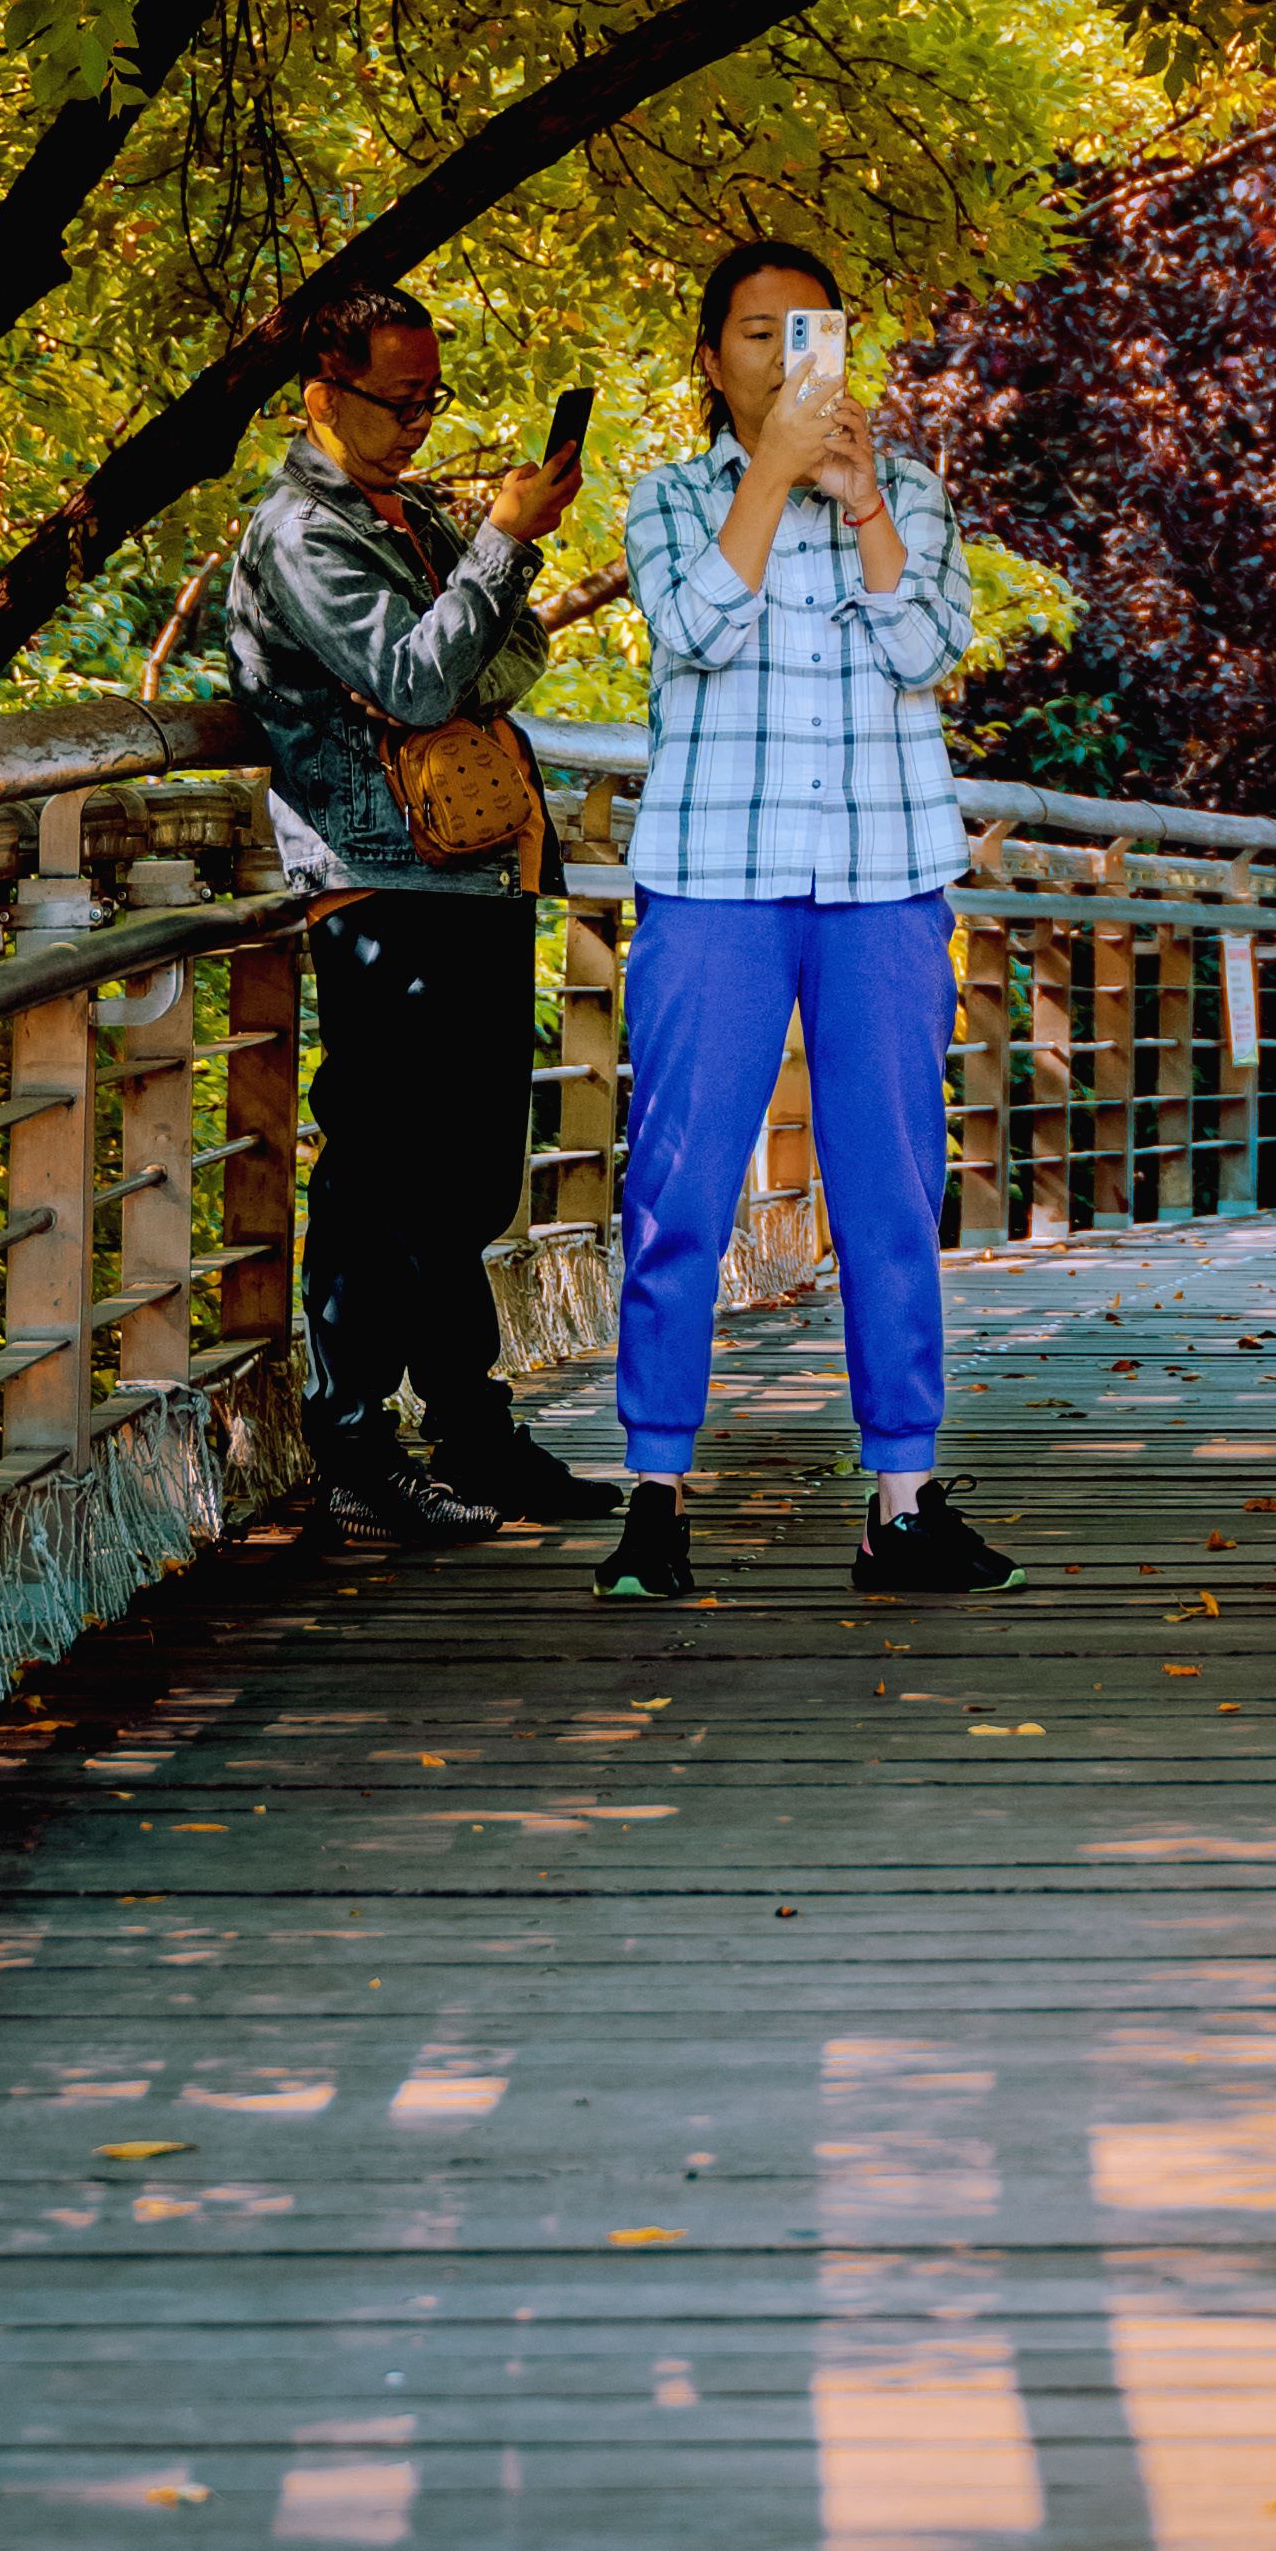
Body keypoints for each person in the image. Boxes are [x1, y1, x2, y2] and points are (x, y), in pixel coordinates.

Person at [598, 235, 1016, 1606]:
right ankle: (652, 1496)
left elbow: (925, 647)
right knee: (678, 1196)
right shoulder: (667, 498)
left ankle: (902, 1502)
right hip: (714, 878)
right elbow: (694, 626)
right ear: (710, 356)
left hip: (883, 877)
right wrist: (773, 477)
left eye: (808, 329)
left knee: (890, 1192)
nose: (784, 352)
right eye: (755, 330)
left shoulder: (909, 494)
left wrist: (862, 504)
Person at [222, 287, 622, 1559]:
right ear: (319, 395)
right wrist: (498, 553)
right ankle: (351, 1449)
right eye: (393, 401)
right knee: (381, 1176)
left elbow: (506, 670)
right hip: (379, 880)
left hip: (480, 866)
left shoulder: (418, 517)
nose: (413, 423)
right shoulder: (301, 531)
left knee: (467, 1180)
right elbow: (415, 677)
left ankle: (468, 1429)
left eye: (426, 399)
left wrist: (479, 579)